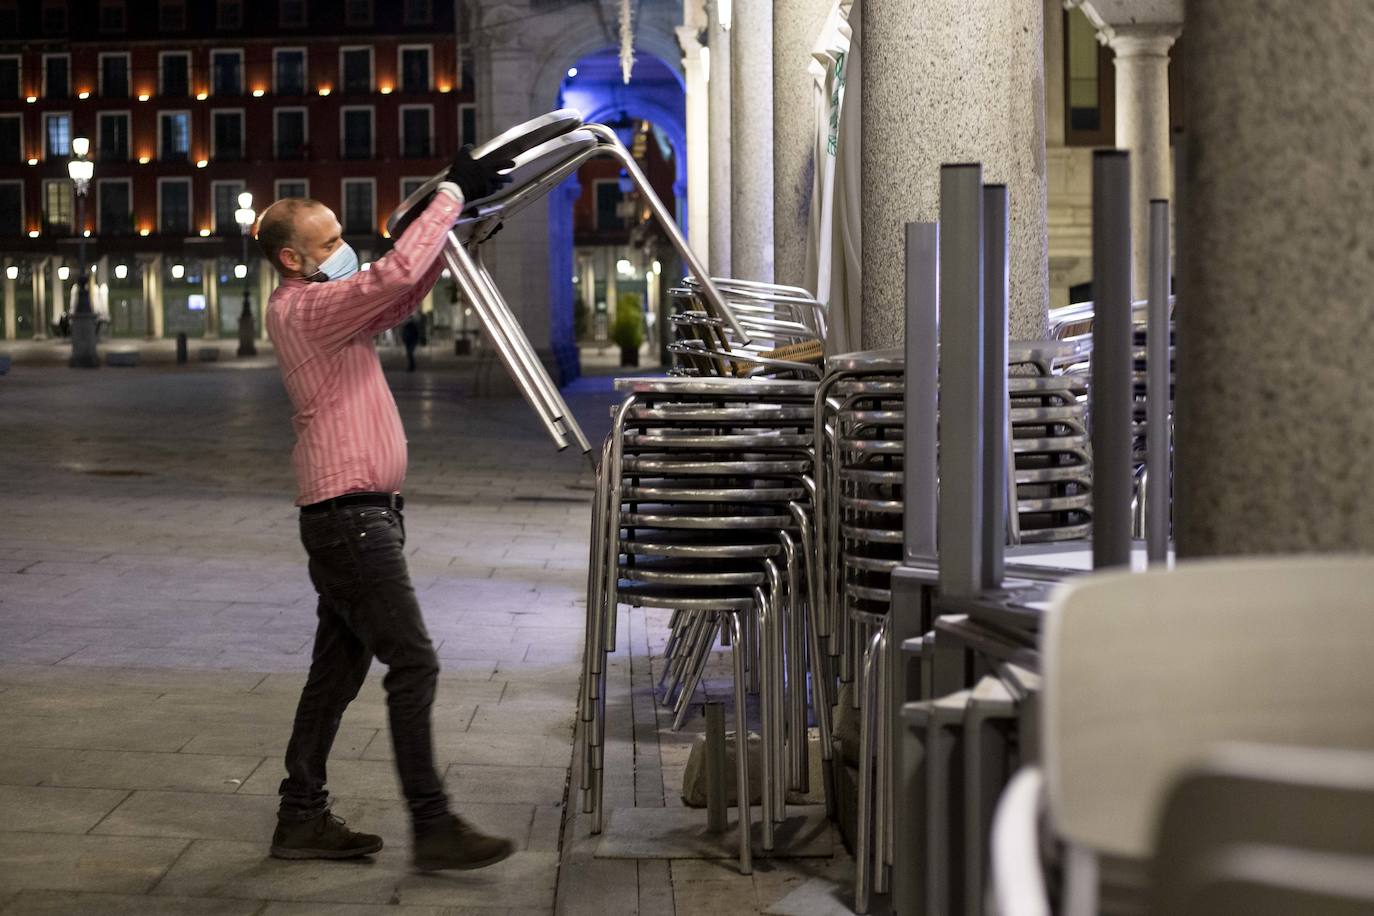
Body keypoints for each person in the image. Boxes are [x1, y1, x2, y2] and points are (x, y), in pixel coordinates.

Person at [256, 148, 513, 872]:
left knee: (335, 675)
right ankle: (432, 826)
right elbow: (392, 275)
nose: (344, 251)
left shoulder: (327, 310)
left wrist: (452, 234)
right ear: (291, 260)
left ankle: (299, 818)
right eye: (329, 244)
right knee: (416, 663)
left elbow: (398, 294)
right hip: (349, 519)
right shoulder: (305, 309)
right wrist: (450, 198)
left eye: (342, 237)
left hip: (354, 514)